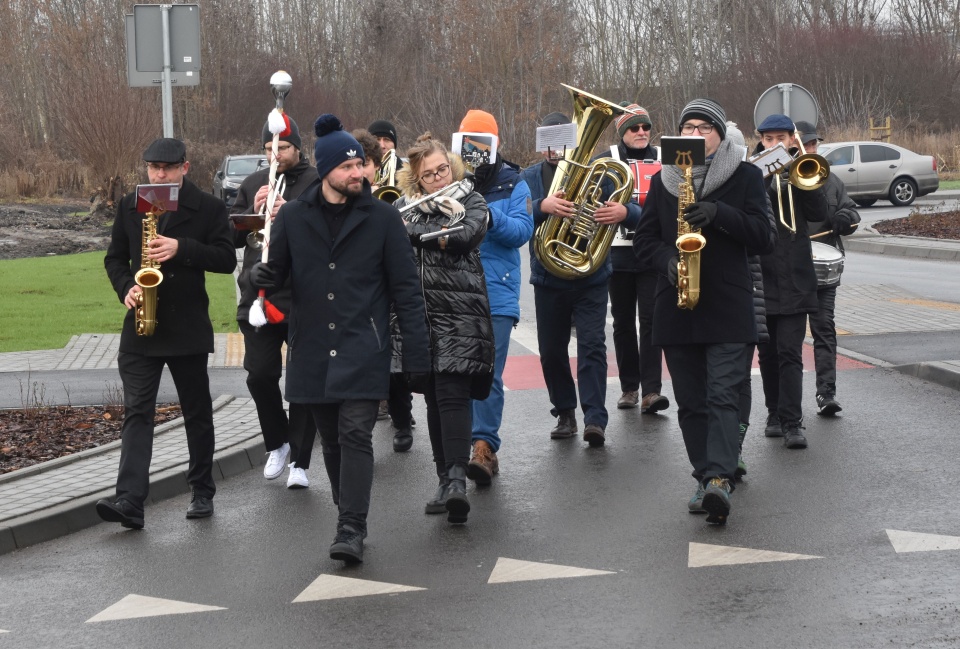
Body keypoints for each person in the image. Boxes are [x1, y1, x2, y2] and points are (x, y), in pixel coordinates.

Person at [249, 115, 431, 562]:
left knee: (355, 435)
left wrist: (418, 357)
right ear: (328, 168)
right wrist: (262, 275)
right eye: (349, 166)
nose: (359, 173)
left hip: (361, 345)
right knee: (331, 442)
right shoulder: (293, 216)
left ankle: (351, 526)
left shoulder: (384, 219)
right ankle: (346, 512)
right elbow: (280, 274)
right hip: (311, 347)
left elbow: (407, 292)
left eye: (361, 166)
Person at [634, 98, 774, 525]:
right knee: (692, 402)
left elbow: (764, 236)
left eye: (703, 127)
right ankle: (703, 477)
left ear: (719, 133)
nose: (694, 134)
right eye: (687, 127)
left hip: (729, 306)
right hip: (678, 308)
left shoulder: (747, 175)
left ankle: (719, 480)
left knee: (723, 394)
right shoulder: (663, 182)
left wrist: (718, 213)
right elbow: (645, 242)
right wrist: (668, 265)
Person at [98, 138, 237, 529]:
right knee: (137, 412)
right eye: (153, 168)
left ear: (185, 168)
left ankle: (202, 490)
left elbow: (226, 259)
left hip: (187, 325)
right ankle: (129, 501)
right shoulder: (130, 205)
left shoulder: (208, 207)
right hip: (141, 327)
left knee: (196, 411)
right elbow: (114, 257)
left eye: (167, 168)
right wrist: (126, 286)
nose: (159, 175)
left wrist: (182, 248)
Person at [520, 112, 640, 447]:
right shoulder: (529, 177)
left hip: (591, 276)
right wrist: (542, 206)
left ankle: (595, 419)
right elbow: (514, 222)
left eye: (561, 140)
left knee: (592, 347)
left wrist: (625, 212)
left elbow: (637, 210)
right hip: (548, 277)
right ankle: (565, 412)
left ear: (571, 140)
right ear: (541, 143)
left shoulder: (598, 173)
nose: (554, 148)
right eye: (548, 141)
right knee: (552, 351)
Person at [394, 133, 494, 524]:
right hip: (417, 315)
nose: (439, 178)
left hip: (459, 311)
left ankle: (456, 479)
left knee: (452, 392)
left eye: (443, 169)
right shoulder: (404, 207)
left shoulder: (470, 199)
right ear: (417, 180)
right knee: (433, 397)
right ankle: (444, 479)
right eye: (429, 175)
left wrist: (418, 235)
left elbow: (466, 236)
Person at [232, 115, 320, 489]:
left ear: (298, 147)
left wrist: (291, 213)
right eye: (269, 149)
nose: (275, 155)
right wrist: (254, 211)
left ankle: (300, 461)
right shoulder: (252, 182)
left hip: (304, 296)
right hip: (259, 296)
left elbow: (328, 234)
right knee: (260, 375)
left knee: (303, 381)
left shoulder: (316, 182)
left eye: (282, 148)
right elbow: (232, 239)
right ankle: (279, 443)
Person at [454, 110, 533, 486]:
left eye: (480, 143)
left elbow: (521, 231)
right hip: (455, 288)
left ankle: (484, 446)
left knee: (488, 371)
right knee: (457, 371)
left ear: (494, 144)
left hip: (496, 291)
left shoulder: (514, 183)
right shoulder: (452, 177)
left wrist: (486, 215)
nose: (473, 151)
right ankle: (461, 444)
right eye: (467, 143)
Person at [752, 115, 830, 449]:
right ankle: (773, 413)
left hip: (797, 276)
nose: (774, 145)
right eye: (768, 139)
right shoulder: (751, 172)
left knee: (790, 352)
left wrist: (800, 170)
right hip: (763, 276)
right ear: (761, 141)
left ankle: (792, 422)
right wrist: (765, 173)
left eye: (780, 138)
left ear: (791, 139)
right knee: (767, 353)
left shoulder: (802, 168)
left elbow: (819, 213)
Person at [354, 127, 419, 450]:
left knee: (395, 365)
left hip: (387, 291)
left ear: (375, 166)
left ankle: (403, 421)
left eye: (365, 163)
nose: (359, 170)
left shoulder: (392, 196)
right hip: (355, 295)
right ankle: (359, 434)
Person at [606, 103, 669, 414]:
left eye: (646, 127)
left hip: (651, 253)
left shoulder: (665, 157)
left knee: (651, 320)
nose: (642, 132)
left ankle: (652, 391)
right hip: (617, 254)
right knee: (622, 323)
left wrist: (631, 214)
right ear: (622, 132)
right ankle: (629, 388)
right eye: (634, 128)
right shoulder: (607, 160)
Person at [795, 120, 861, 416]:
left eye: (812, 145)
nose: (810, 149)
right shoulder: (781, 179)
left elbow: (852, 211)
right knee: (789, 338)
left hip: (824, 267)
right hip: (790, 269)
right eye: (804, 145)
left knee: (824, 330)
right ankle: (786, 405)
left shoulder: (830, 180)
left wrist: (845, 218)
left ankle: (826, 394)